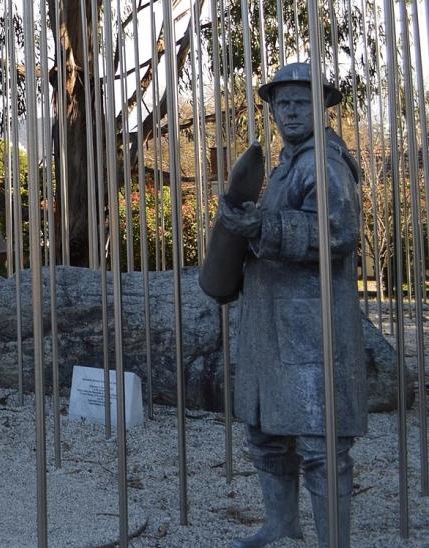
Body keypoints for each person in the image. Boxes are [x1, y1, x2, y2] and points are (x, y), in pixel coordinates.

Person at [217, 62, 365, 548]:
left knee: (322, 445)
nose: (292, 112)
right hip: (274, 323)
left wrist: (265, 226)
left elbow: (338, 233)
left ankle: (333, 541)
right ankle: (282, 523)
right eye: (284, 104)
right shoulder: (289, 164)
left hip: (311, 328)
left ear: (322, 108)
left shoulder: (324, 163)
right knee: (266, 433)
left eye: (302, 103)